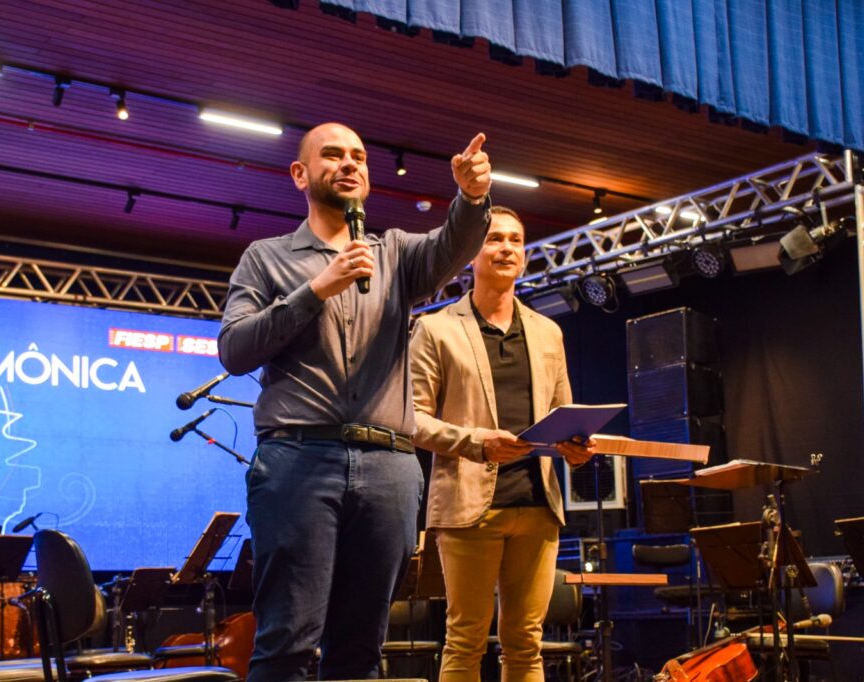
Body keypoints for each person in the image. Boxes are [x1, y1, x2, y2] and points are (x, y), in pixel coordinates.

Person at [217, 122, 493, 681]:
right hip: (298, 461)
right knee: (287, 642)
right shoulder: (265, 258)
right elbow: (234, 349)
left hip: (389, 468)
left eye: (359, 157)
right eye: (333, 155)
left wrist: (472, 197)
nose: (350, 164)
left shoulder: (394, 252)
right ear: (300, 174)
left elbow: (453, 247)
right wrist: (316, 288)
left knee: (362, 649)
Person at [409, 206, 596, 682]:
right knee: (466, 639)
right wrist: (476, 443)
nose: (507, 248)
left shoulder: (548, 331)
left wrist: (574, 447)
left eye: (516, 239)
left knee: (526, 643)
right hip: (469, 506)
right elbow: (410, 419)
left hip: (538, 506)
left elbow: (562, 416)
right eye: (495, 239)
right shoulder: (436, 329)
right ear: (472, 250)